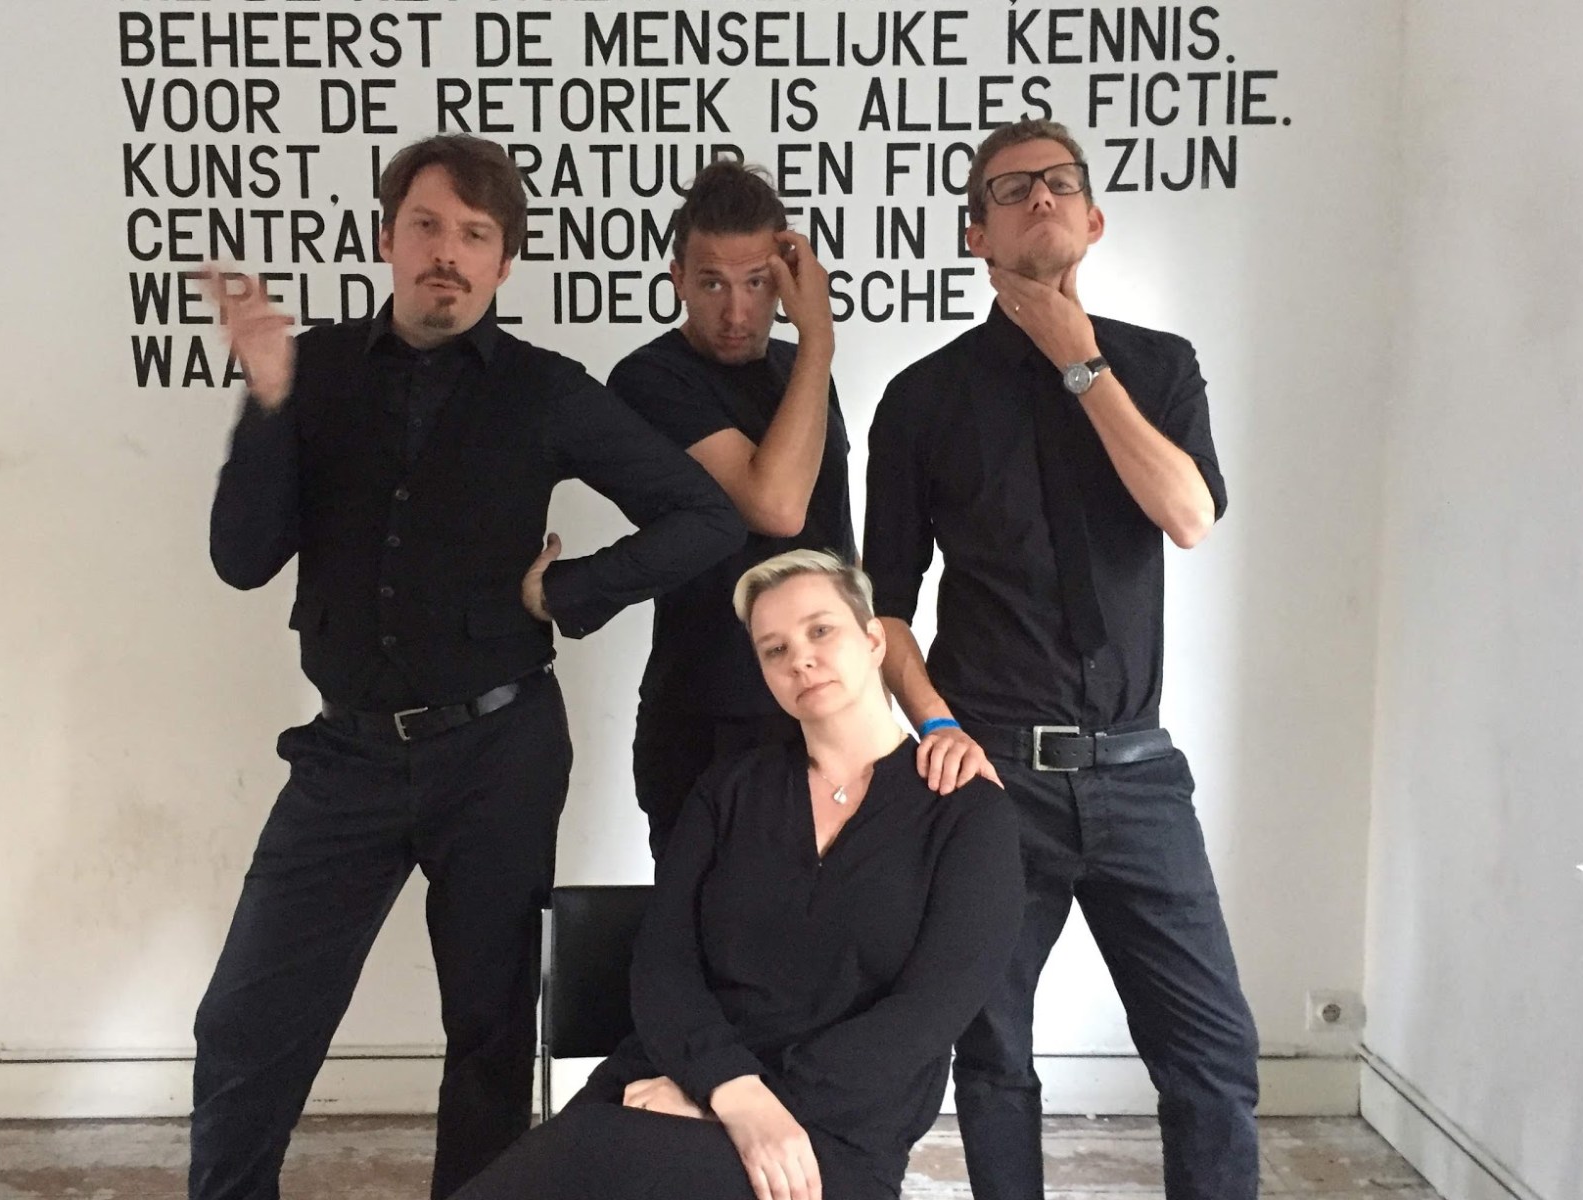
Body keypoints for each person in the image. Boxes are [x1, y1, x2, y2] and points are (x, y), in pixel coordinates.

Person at [192, 133, 745, 1200]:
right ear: (387, 240)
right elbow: (240, 559)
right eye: (428, 226)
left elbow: (704, 516)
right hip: (345, 758)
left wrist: (571, 591)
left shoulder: (547, 391)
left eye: (475, 235)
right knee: (247, 1022)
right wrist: (264, 402)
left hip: (499, 753)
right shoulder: (310, 373)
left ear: (504, 261)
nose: (447, 252)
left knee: (489, 1032)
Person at [862, 118, 1259, 1200]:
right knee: (993, 1058)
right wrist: (936, 728)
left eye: (1059, 183)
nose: (1039, 197)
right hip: (992, 775)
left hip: (1137, 770)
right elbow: (883, 610)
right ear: (974, 234)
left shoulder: (1158, 368)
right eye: (1010, 188)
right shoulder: (922, 401)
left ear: (1092, 218)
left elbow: (1186, 515)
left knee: (1212, 1055)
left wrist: (1079, 362)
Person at [454, 550, 1023, 1200]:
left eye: (820, 630)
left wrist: (747, 1111)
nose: (800, 659)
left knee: (578, 1159)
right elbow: (663, 964)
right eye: (774, 649)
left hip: (831, 1131)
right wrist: (729, 1092)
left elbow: (925, 1016)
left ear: (873, 641)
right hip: (670, 1083)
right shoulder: (729, 790)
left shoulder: (968, 814)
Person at [607, 161, 858, 859]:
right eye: (713, 283)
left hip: (822, 712)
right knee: (702, 920)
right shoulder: (650, 378)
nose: (737, 312)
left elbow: (836, 538)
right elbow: (776, 507)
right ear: (678, 280)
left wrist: (868, 694)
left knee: (834, 918)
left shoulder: (801, 369)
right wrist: (819, 338)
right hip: (709, 718)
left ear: (784, 280)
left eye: (756, 282)